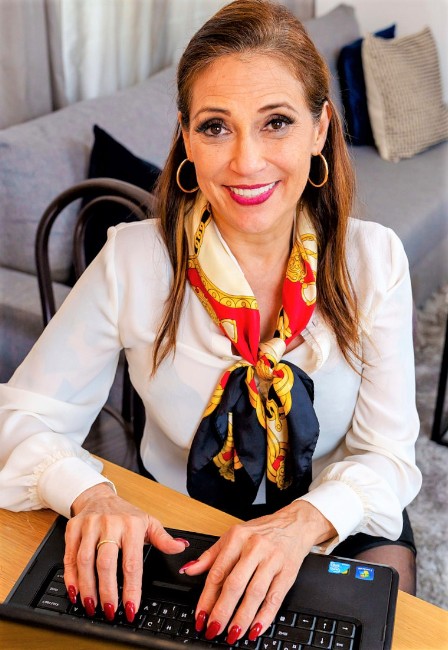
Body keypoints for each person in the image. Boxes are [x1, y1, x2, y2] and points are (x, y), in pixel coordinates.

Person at [0, 0, 421, 644]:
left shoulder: (374, 260)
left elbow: (387, 457)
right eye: (217, 126)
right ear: (186, 138)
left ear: (319, 130)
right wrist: (92, 495)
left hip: (336, 519)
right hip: (181, 522)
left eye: (276, 122)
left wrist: (301, 524)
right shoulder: (132, 260)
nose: (246, 162)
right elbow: (20, 418)